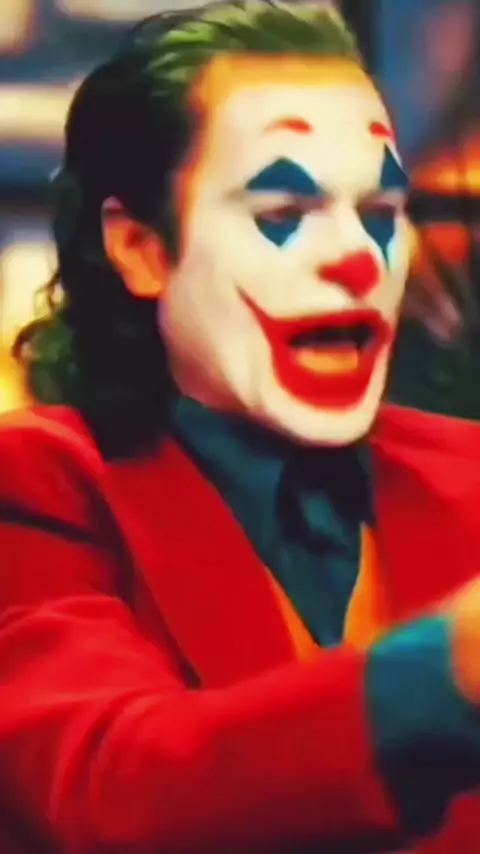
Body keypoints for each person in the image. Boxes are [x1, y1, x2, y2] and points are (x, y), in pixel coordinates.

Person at [2, 3, 480, 852]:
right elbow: (106, 787)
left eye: (381, 212)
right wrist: (445, 675)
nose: (358, 259)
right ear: (141, 248)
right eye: (281, 214)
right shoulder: (42, 487)